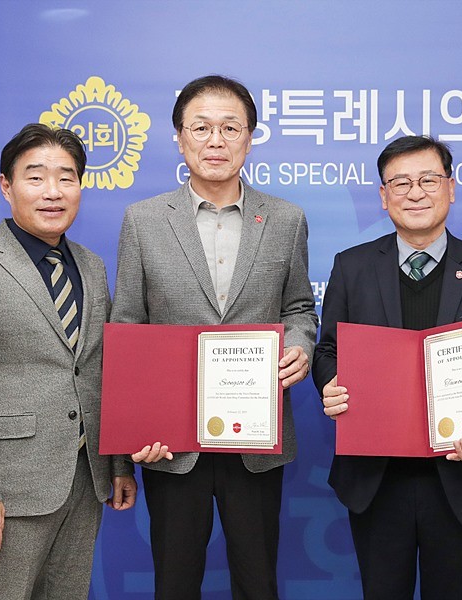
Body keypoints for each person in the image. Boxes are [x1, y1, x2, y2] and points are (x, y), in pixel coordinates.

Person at [111, 74, 318, 600]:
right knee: (175, 583)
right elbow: (128, 326)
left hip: (257, 435)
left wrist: (300, 345)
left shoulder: (286, 219)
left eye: (230, 127)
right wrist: (133, 431)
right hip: (171, 442)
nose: (215, 141)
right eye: (201, 128)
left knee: (258, 581)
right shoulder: (143, 221)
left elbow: (298, 307)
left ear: (250, 138)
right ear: (180, 139)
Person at [0, 123, 137, 599]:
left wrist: (119, 463)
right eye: (36, 177)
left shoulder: (91, 266)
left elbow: (100, 372)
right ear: (7, 186)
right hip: (9, 488)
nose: (53, 192)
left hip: (85, 478)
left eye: (66, 178)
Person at [312, 135, 462, 599]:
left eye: (428, 179)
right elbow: (328, 351)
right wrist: (331, 383)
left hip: (460, 473)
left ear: (451, 187)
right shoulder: (352, 267)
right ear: (383, 197)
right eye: (400, 183)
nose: (415, 193)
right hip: (376, 477)